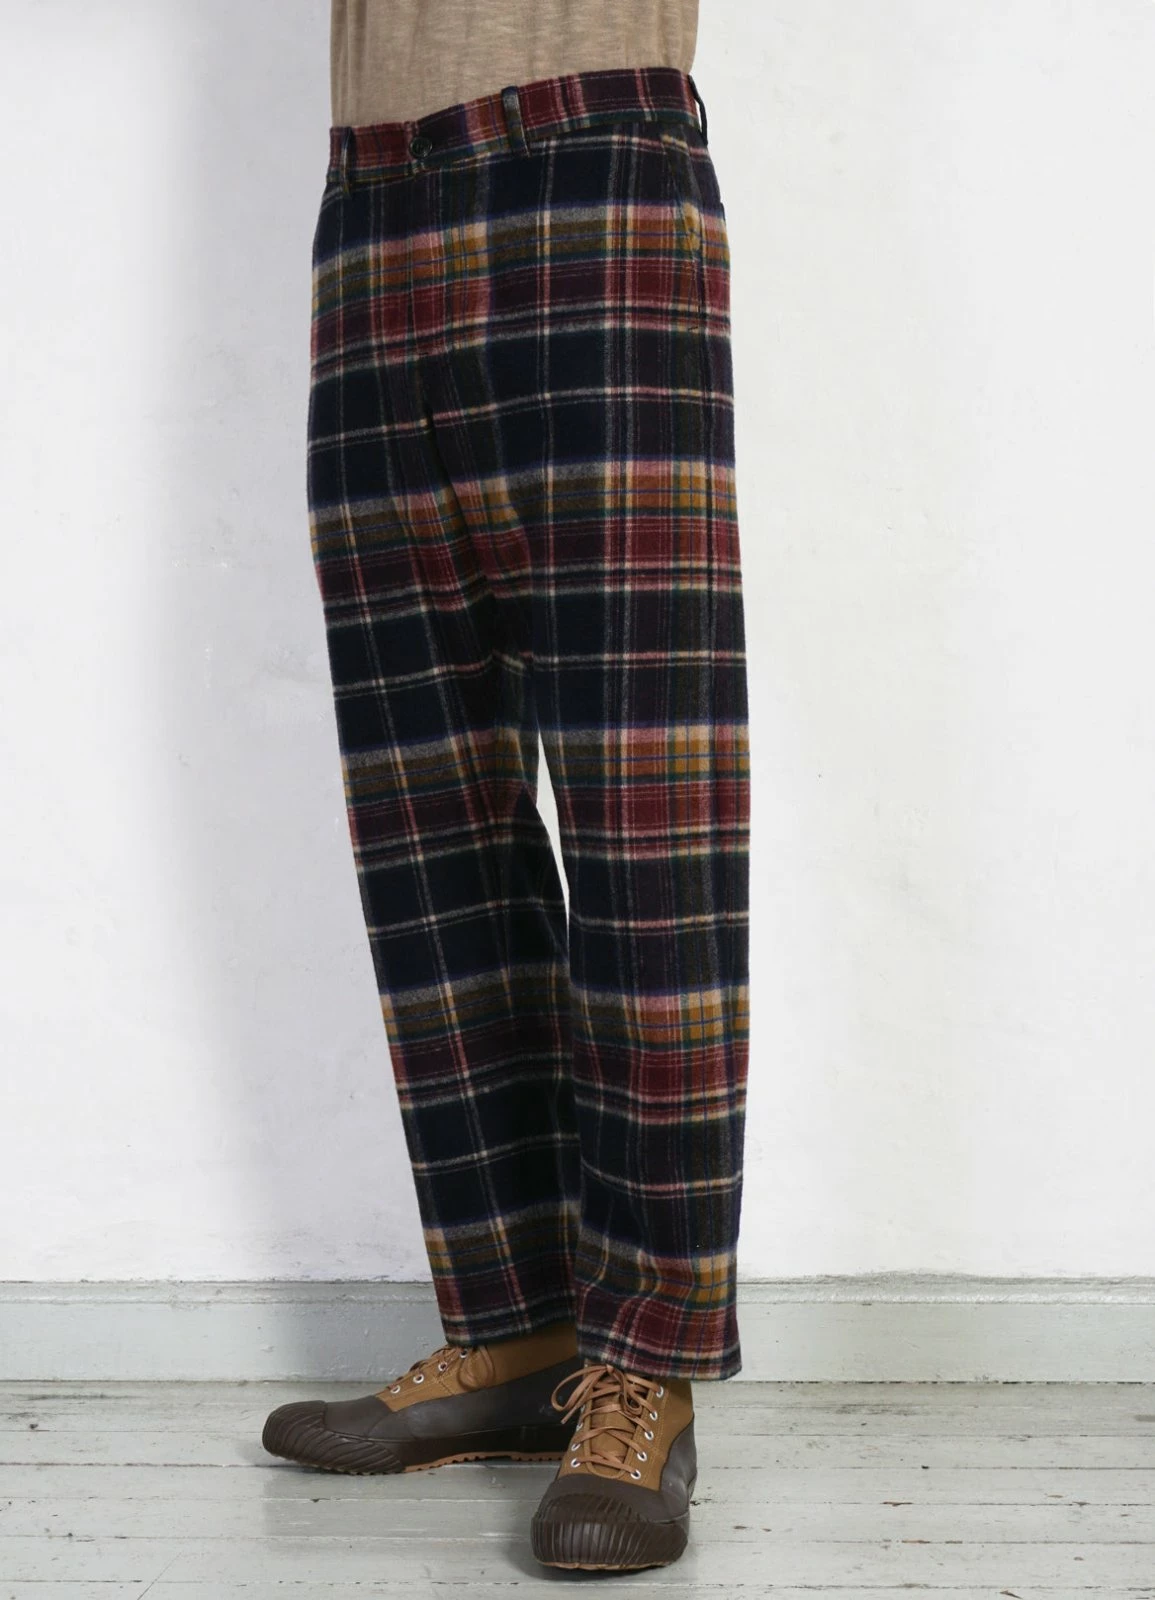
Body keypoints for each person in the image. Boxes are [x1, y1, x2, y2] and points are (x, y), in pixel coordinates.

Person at [262, 0, 750, 1573]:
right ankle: (521, 1327)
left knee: (645, 801)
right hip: (369, 201)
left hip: (593, 163)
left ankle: (647, 1362)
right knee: (425, 809)